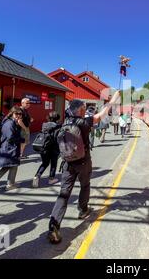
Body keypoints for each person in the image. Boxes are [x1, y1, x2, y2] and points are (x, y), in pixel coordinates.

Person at [48, 91, 121, 244]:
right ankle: (83, 210)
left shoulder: (65, 122)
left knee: (64, 194)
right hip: (83, 161)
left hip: (67, 163)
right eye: (83, 108)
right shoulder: (85, 122)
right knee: (85, 185)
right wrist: (113, 99)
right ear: (81, 110)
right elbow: (102, 114)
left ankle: (54, 225)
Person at [0, 107, 24, 191]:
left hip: (8, 146)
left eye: (20, 114)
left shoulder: (10, 121)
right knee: (13, 164)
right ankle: (9, 184)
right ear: (12, 113)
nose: (18, 116)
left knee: (10, 165)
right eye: (16, 114)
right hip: (10, 147)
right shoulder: (10, 123)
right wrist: (21, 139)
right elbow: (10, 137)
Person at [32, 111, 62, 188]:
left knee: (45, 163)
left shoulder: (44, 125)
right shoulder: (58, 126)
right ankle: (51, 179)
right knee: (53, 163)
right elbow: (58, 138)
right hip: (54, 148)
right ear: (57, 118)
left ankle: (37, 176)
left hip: (44, 147)